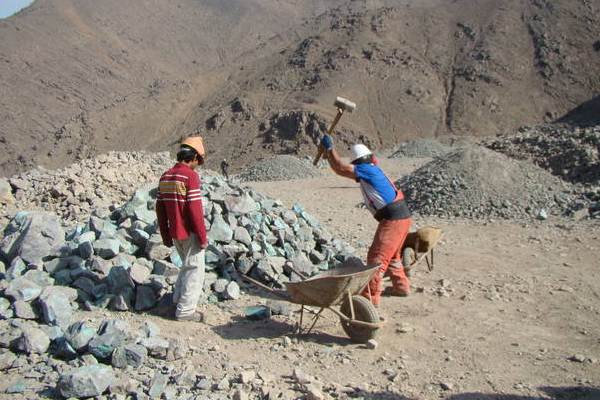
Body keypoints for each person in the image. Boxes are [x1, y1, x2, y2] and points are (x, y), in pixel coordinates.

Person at [319, 134, 412, 306]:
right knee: (392, 257)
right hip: (401, 217)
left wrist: (330, 148)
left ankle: (369, 299)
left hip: (393, 219)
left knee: (377, 259)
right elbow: (339, 167)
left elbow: (340, 168)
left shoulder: (366, 169)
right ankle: (401, 286)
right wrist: (328, 155)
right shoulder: (372, 169)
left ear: (358, 162)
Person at [155, 136, 209, 321]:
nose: (197, 165)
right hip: (190, 232)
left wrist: (165, 233)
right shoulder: (190, 176)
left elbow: (160, 208)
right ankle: (185, 311)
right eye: (198, 161)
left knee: (186, 267)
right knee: (195, 269)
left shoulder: (166, 176)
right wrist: (202, 237)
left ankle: (177, 301)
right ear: (193, 157)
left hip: (175, 232)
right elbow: (195, 211)